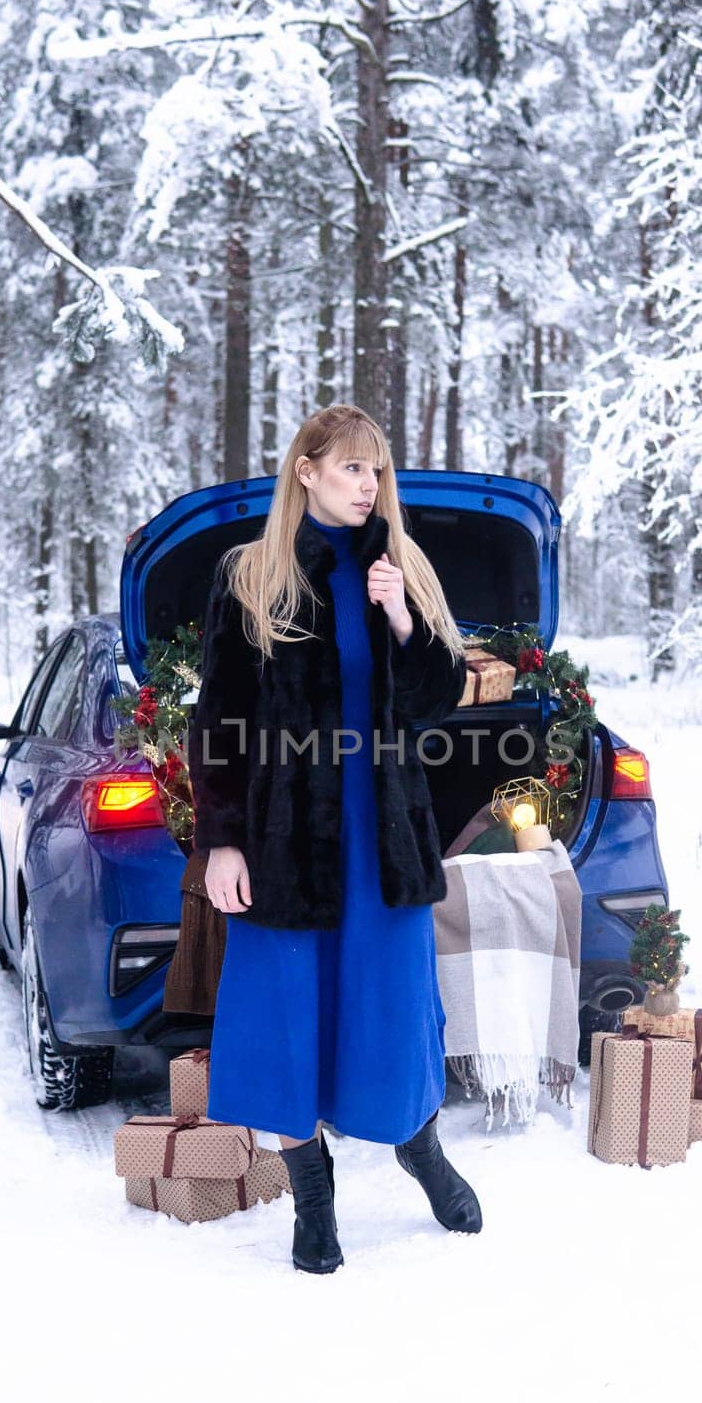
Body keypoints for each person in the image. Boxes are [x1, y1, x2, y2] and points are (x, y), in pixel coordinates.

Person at [186, 403, 482, 1275]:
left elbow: (433, 698)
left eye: (377, 471)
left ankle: (419, 1149)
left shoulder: (400, 569)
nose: (369, 485)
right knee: (285, 1019)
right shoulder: (251, 574)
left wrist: (401, 621)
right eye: (353, 468)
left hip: (382, 839)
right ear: (306, 470)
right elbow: (219, 719)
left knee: (392, 1013)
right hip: (284, 841)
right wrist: (224, 841)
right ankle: (312, 1200)